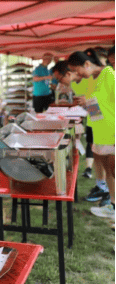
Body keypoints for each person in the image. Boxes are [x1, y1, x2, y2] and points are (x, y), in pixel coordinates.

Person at [52, 60, 109, 206]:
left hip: (101, 124)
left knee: (105, 159)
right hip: (94, 122)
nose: (61, 83)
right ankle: (102, 186)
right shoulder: (79, 83)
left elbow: (98, 106)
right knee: (97, 155)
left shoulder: (96, 78)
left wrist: (88, 105)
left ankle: (107, 193)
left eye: (60, 79)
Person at [67, 49, 115, 220]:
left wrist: (89, 102)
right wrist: (88, 106)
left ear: (87, 64)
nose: (76, 74)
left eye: (77, 70)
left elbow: (111, 101)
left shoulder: (108, 74)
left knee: (112, 170)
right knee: (108, 171)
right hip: (100, 129)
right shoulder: (93, 79)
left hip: (111, 130)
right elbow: (96, 110)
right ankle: (112, 205)